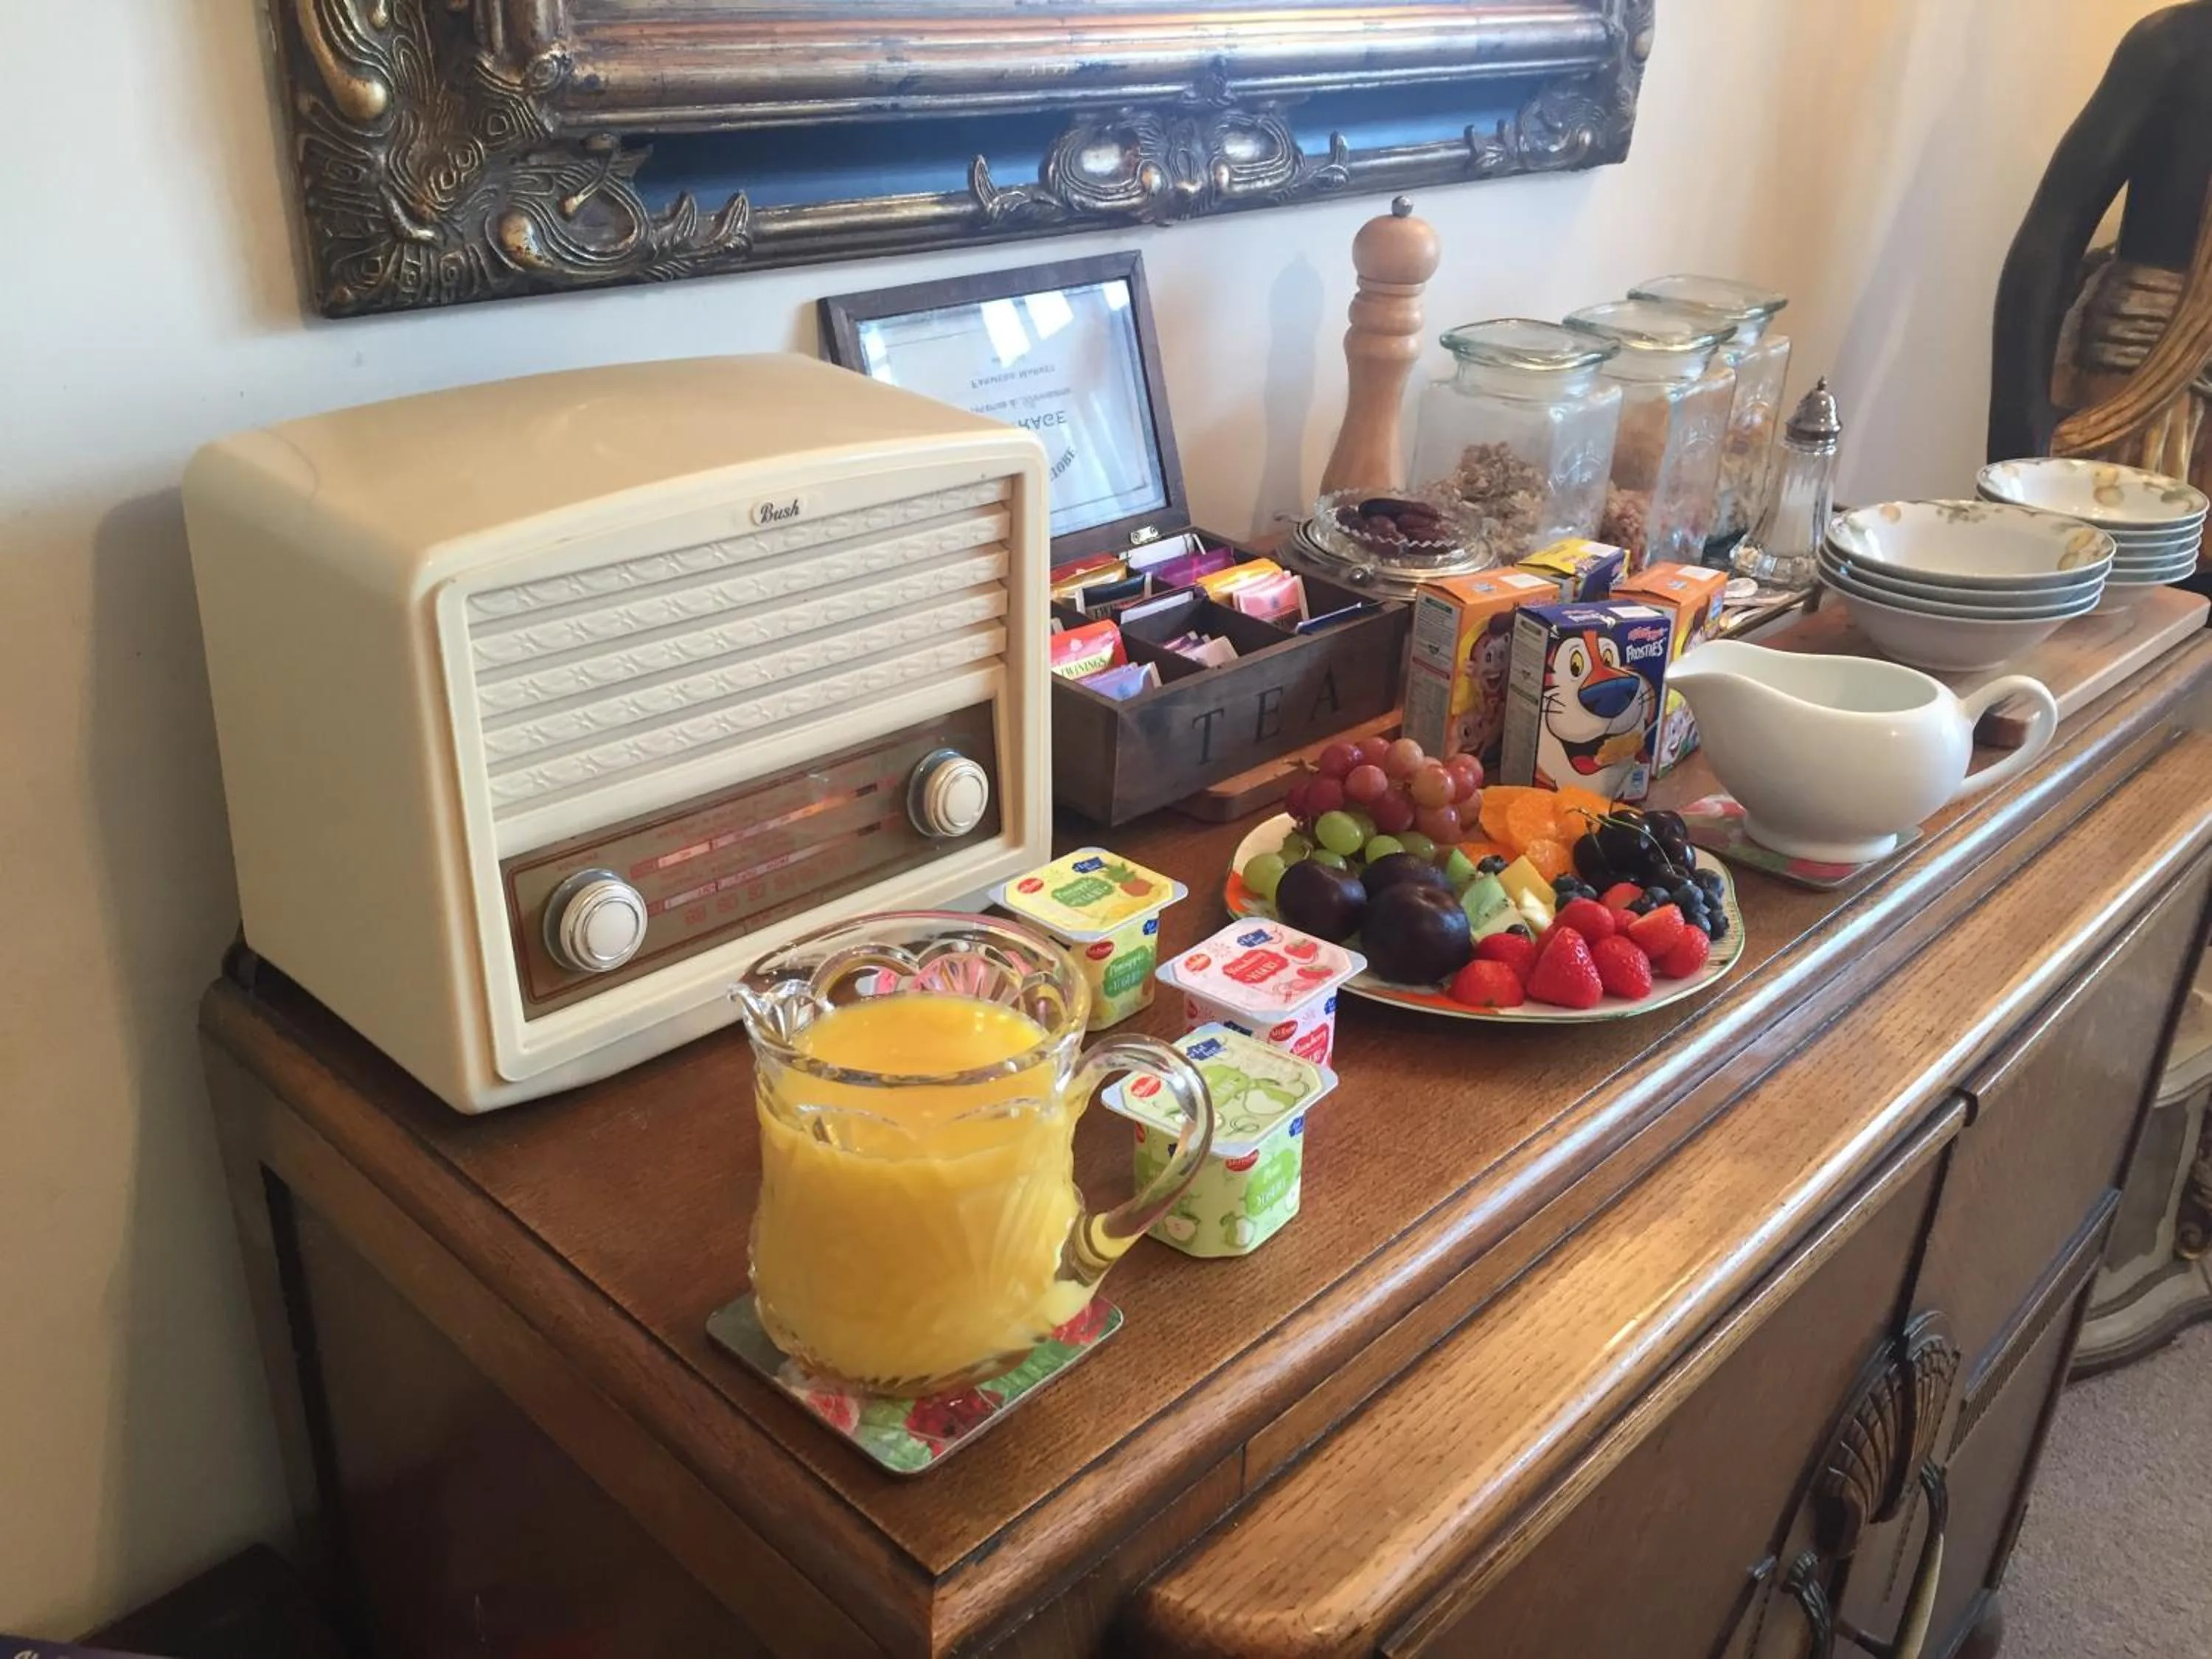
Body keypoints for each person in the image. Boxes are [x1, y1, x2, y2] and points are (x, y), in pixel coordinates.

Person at [1991, 2, 2212, 495]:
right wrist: (2018, 437)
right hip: (2150, 406)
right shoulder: (2178, 45)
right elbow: (2052, 234)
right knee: (2124, 558)